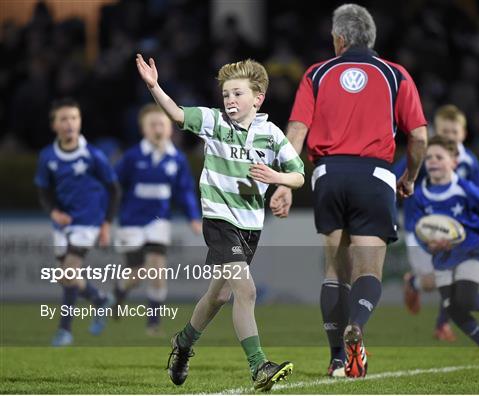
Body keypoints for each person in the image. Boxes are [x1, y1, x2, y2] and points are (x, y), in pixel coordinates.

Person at [270, 4, 428, 378]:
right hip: (374, 174)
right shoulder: (395, 74)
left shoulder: (317, 73)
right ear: (370, 38)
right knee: (368, 268)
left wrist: (284, 182)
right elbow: (419, 137)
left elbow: (295, 133)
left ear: (338, 39)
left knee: (334, 270)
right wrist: (410, 177)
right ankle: (356, 324)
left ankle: (338, 358)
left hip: (327, 173)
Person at [135, 54, 304, 390]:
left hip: (250, 226)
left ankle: (183, 344)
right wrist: (155, 87)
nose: (230, 100)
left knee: (219, 296)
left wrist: (278, 178)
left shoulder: (270, 134)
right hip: (219, 219)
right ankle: (259, 366)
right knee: (247, 290)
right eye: (226, 94)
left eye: (237, 93)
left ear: (258, 98)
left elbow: (299, 175)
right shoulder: (214, 123)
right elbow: (178, 114)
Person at [410, 135, 479, 359]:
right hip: (442, 258)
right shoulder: (419, 195)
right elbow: (417, 229)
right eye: (428, 158)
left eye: (439, 157)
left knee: (464, 299)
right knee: (452, 308)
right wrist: (430, 246)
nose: (433, 161)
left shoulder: (465, 189)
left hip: (471, 250)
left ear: (454, 161)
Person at [395, 104, 479, 341]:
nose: (450, 137)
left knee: (455, 275)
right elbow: (397, 176)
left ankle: (442, 325)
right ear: (437, 131)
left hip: (455, 229)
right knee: (431, 282)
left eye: (454, 133)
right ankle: (414, 282)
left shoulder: (470, 162)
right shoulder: (427, 154)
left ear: (463, 134)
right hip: (421, 227)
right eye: (445, 132)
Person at [34, 98, 120, 346]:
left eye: (74, 118)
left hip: (88, 221)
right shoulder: (47, 156)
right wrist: (53, 212)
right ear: (54, 125)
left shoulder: (93, 155)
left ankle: (64, 330)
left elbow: (114, 190)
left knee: (69, 272)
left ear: (80, 121)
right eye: (64, 119)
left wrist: (106, 225)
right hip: (62, 224)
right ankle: (100, 299)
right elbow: (44, 190)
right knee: (67, 276)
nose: (69, 123)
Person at [113, 103, 202, 336]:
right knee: (137, 273)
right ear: (143, 129)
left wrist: (193, 216)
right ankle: (120, 290)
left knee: (157, 270)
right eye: (152, 124)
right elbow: (113, 187)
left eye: (161, 123)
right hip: (131, 222)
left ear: (170, 128)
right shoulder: (132, 157)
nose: (158, 128)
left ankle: (153, 324)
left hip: (158, 222)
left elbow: (184, 191)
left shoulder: (177, 159)